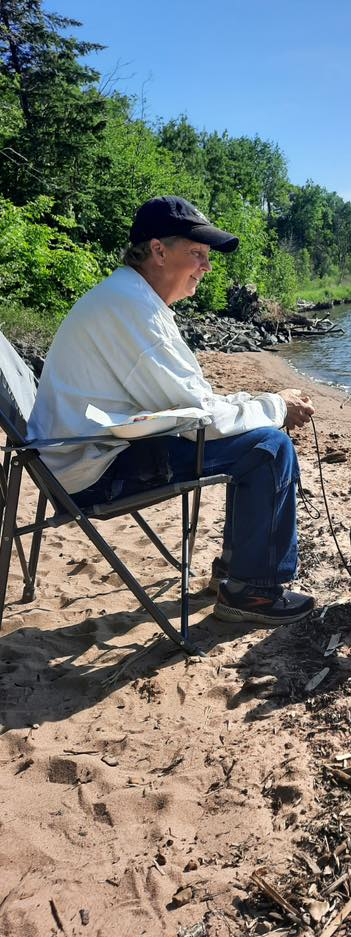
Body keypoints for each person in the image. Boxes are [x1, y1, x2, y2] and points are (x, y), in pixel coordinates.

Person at [27, 195, 316, 625]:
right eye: (197, 254)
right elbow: (201, 418)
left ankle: (238, 574)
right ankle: (253, 592)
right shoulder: (134, 312)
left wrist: (260, 403)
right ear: (158, 251)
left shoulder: (127, 299)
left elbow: (190, 402)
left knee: (253, 437)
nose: (207, 266)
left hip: (76, 455)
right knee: (268, 448)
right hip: (91, 471)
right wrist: (275, 406)